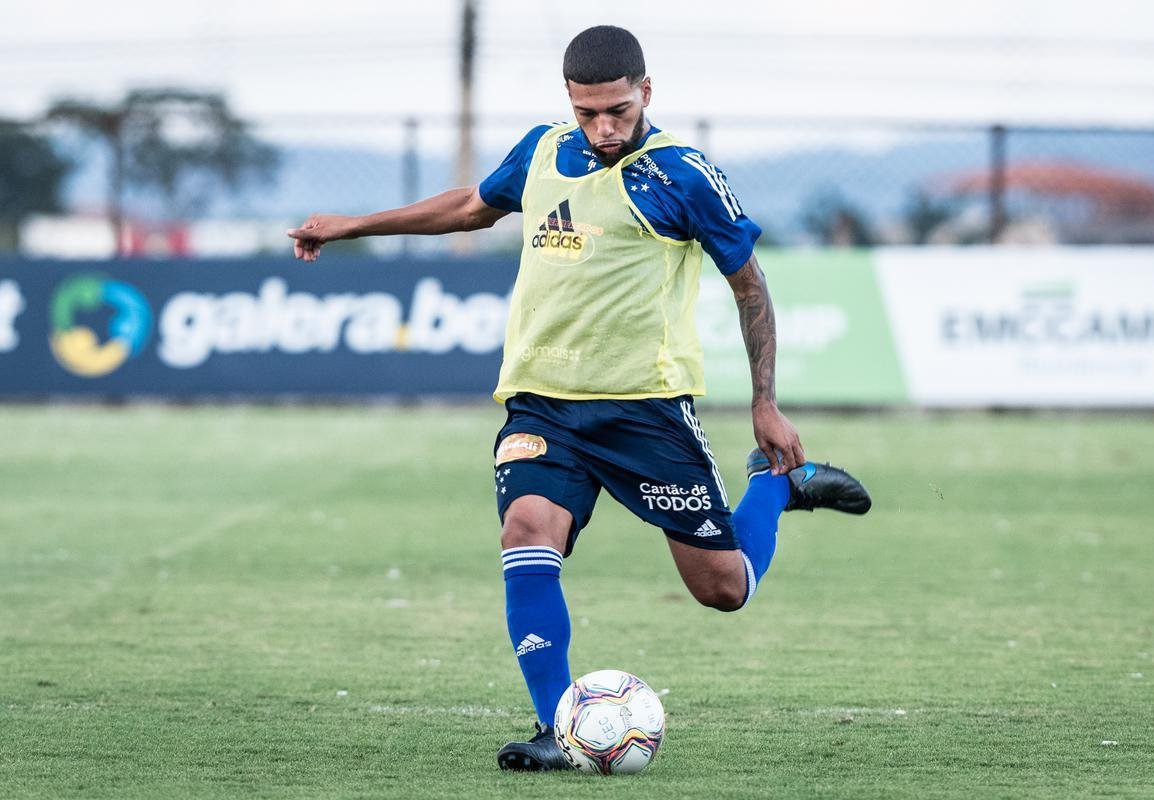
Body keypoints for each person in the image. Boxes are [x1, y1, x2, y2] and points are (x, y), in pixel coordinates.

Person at [287, 24, 871, 772]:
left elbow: (749, 286)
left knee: (723, 590)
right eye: (588, 112)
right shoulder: (542, 150)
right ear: (569, 100)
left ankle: (773, 486)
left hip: (645, 410)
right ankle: (557, 729)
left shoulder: (683, 175)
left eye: (618, 112)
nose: (603, 128)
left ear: (646, 94)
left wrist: (765, 402)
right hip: (542, 404)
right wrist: (352, 226)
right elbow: (472, 205)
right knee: (527, 529)